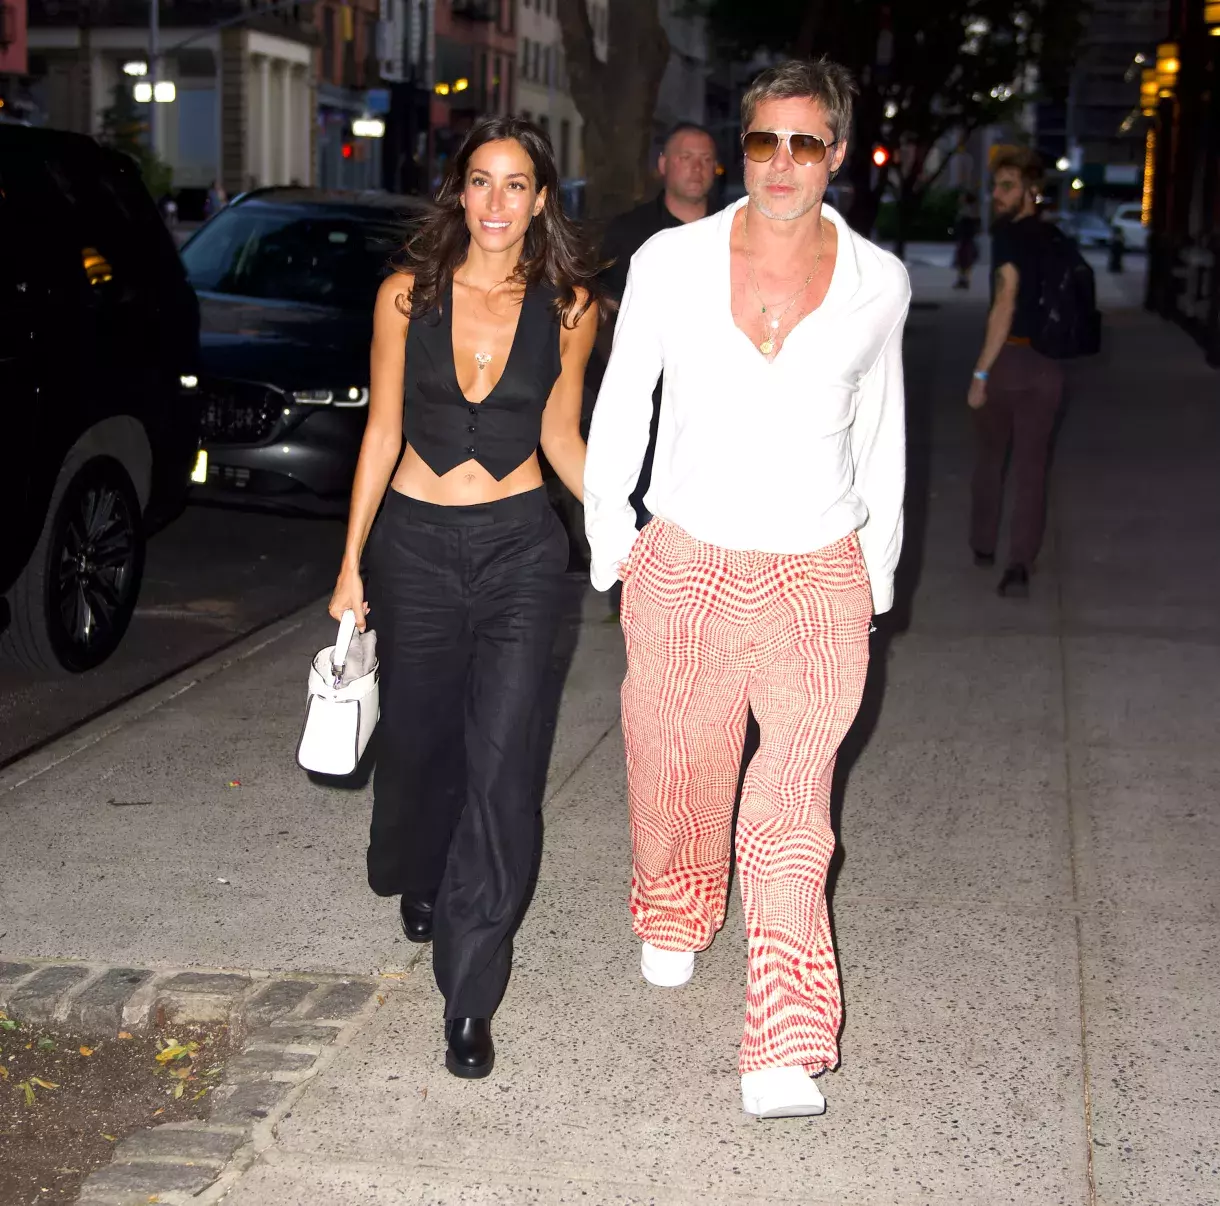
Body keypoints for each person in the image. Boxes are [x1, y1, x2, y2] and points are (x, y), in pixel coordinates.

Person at [584, 58, 909, 1119]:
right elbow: (622, 401)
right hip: (688, 557)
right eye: (765, 140)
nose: (781, 163)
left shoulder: (877, 285)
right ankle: (675, 906)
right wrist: (614, 538)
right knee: (676, 768)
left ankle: (783, 1041)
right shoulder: (670, 262)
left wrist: (875, 573)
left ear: (837, 153)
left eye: (804, 143)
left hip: (817, 569)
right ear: (742, 148)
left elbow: (881, 437)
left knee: (789, 809)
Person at [328, 116, 599, 1080]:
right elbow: (382, 431)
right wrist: (351, 564)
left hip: (522, 548)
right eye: (481, 180)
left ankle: (470, 994)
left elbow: (562, 436)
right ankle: (415, 862)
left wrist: (631, 535)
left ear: (540, 199)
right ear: (460, 190)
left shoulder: (571, 308)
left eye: (515, 184)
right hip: (414, 547)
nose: (496, 201)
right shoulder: (407, 297)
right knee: (419, 740)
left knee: (502, 765)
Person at [596, 122, 718, 614]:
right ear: (663, 165)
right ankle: (639, 600)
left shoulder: (737, 230)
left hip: (714, 403)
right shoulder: (629, 232)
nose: (697, 167)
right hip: (647, 399)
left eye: (706, 158)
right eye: (686, 156)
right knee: (643, 499)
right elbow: (602, 307)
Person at [967, 147, 1063, 598]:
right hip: (1048, 367)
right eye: (995, 186)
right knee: (1031, 468)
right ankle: (1019, 563)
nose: (997, 195)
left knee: (991, 458)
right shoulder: (1054, 237)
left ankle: (984, 545)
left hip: (1009, 361)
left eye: (1008, 186)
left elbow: (1005, 303)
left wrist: (981, 373)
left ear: (1031, 191)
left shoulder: (1009, 237)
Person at [952, 190, 980, 289]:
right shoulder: (970, 211)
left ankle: (964, 280)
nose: (960, 198)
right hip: (966, 240)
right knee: (964, 261)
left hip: (965, 240)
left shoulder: (967, 212)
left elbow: (967, 227)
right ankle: (963, 280)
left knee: (964, 260)